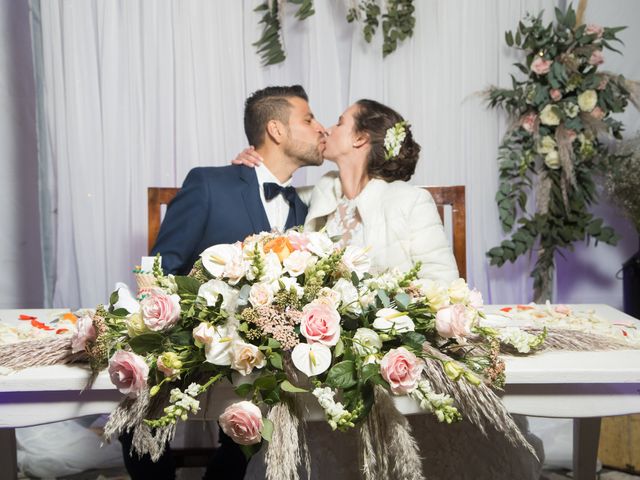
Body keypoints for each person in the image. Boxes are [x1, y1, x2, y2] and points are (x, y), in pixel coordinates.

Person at [237, 99, 543, 480]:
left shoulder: (409, 200)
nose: (326, 130)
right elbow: (270, 198)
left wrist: (380, 311)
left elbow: (443, 285)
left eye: (339, 122)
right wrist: (250, 167)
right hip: (330, 363)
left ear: (361, 138)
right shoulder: (318, 195)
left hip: (400, 355)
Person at [120, 84, 326, 480]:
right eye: (308, 119)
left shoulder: (307, 207)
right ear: (276, 130)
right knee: (138, 417)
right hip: (195, 343)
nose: (320, 129)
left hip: (267, 357)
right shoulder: (210, 183)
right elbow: (163, 267)